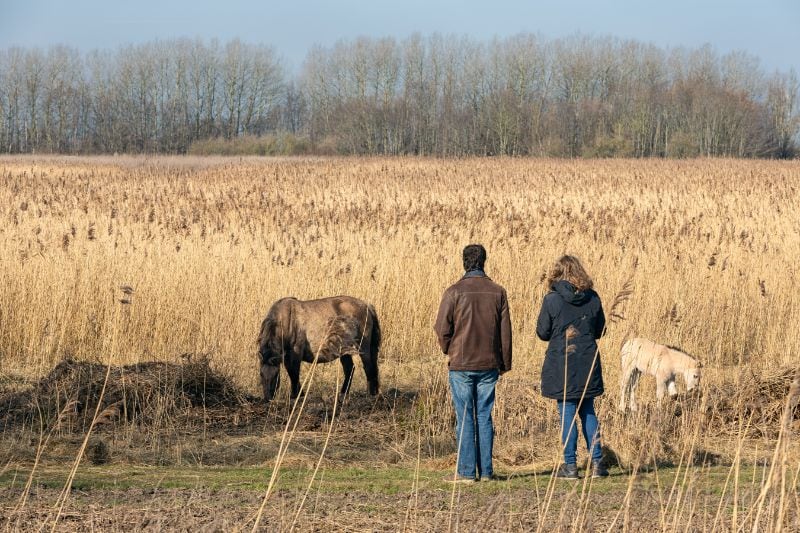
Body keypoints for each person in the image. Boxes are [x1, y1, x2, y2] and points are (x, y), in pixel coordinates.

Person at [434, 244, 512, 483]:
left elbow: (441, 328)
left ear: (464, 262)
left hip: (461, 364)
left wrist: (450, 349)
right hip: (489, 364)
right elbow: (505, 332)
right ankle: (487, 471)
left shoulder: (454, 292)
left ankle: (466, 472)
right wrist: (504, 363)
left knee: (465, 416)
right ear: (484, 261)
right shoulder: (498, 292)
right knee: (484, 416)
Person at [536, 255, 608, 479]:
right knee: (588, 411)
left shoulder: (552, 300)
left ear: (557, 274)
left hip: (561, 362)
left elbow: (542, 332)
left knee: (567, 411)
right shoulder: (593, 297)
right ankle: (597, 463)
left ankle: (570, 465)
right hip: (587, 360)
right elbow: (601, 330)